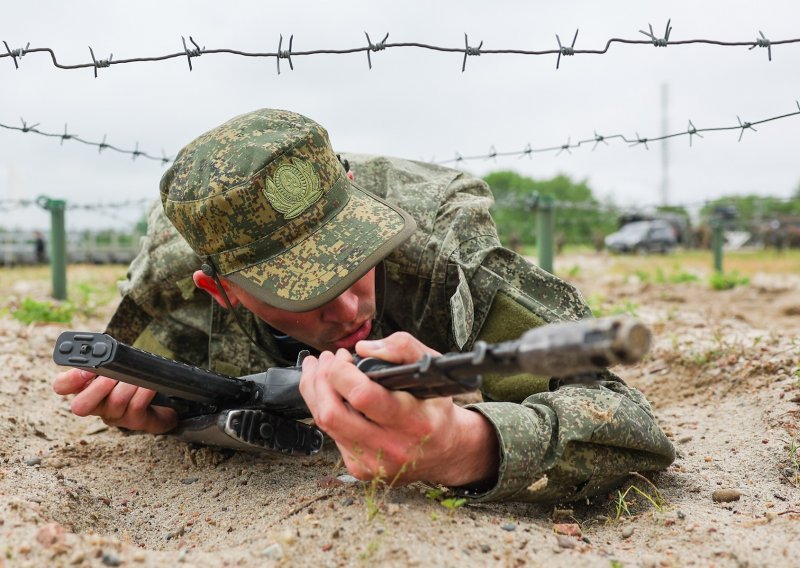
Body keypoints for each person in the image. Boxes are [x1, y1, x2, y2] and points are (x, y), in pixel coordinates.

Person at [53, 109, 674, 502]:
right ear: (224, 290)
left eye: (356, 257)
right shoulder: (173, 285)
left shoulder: (436, 242)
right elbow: (157, 386)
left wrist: (468, 443)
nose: (351, 304)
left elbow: (631, 425)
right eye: (307, 290)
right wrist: (158, 415)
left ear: (354, 197)